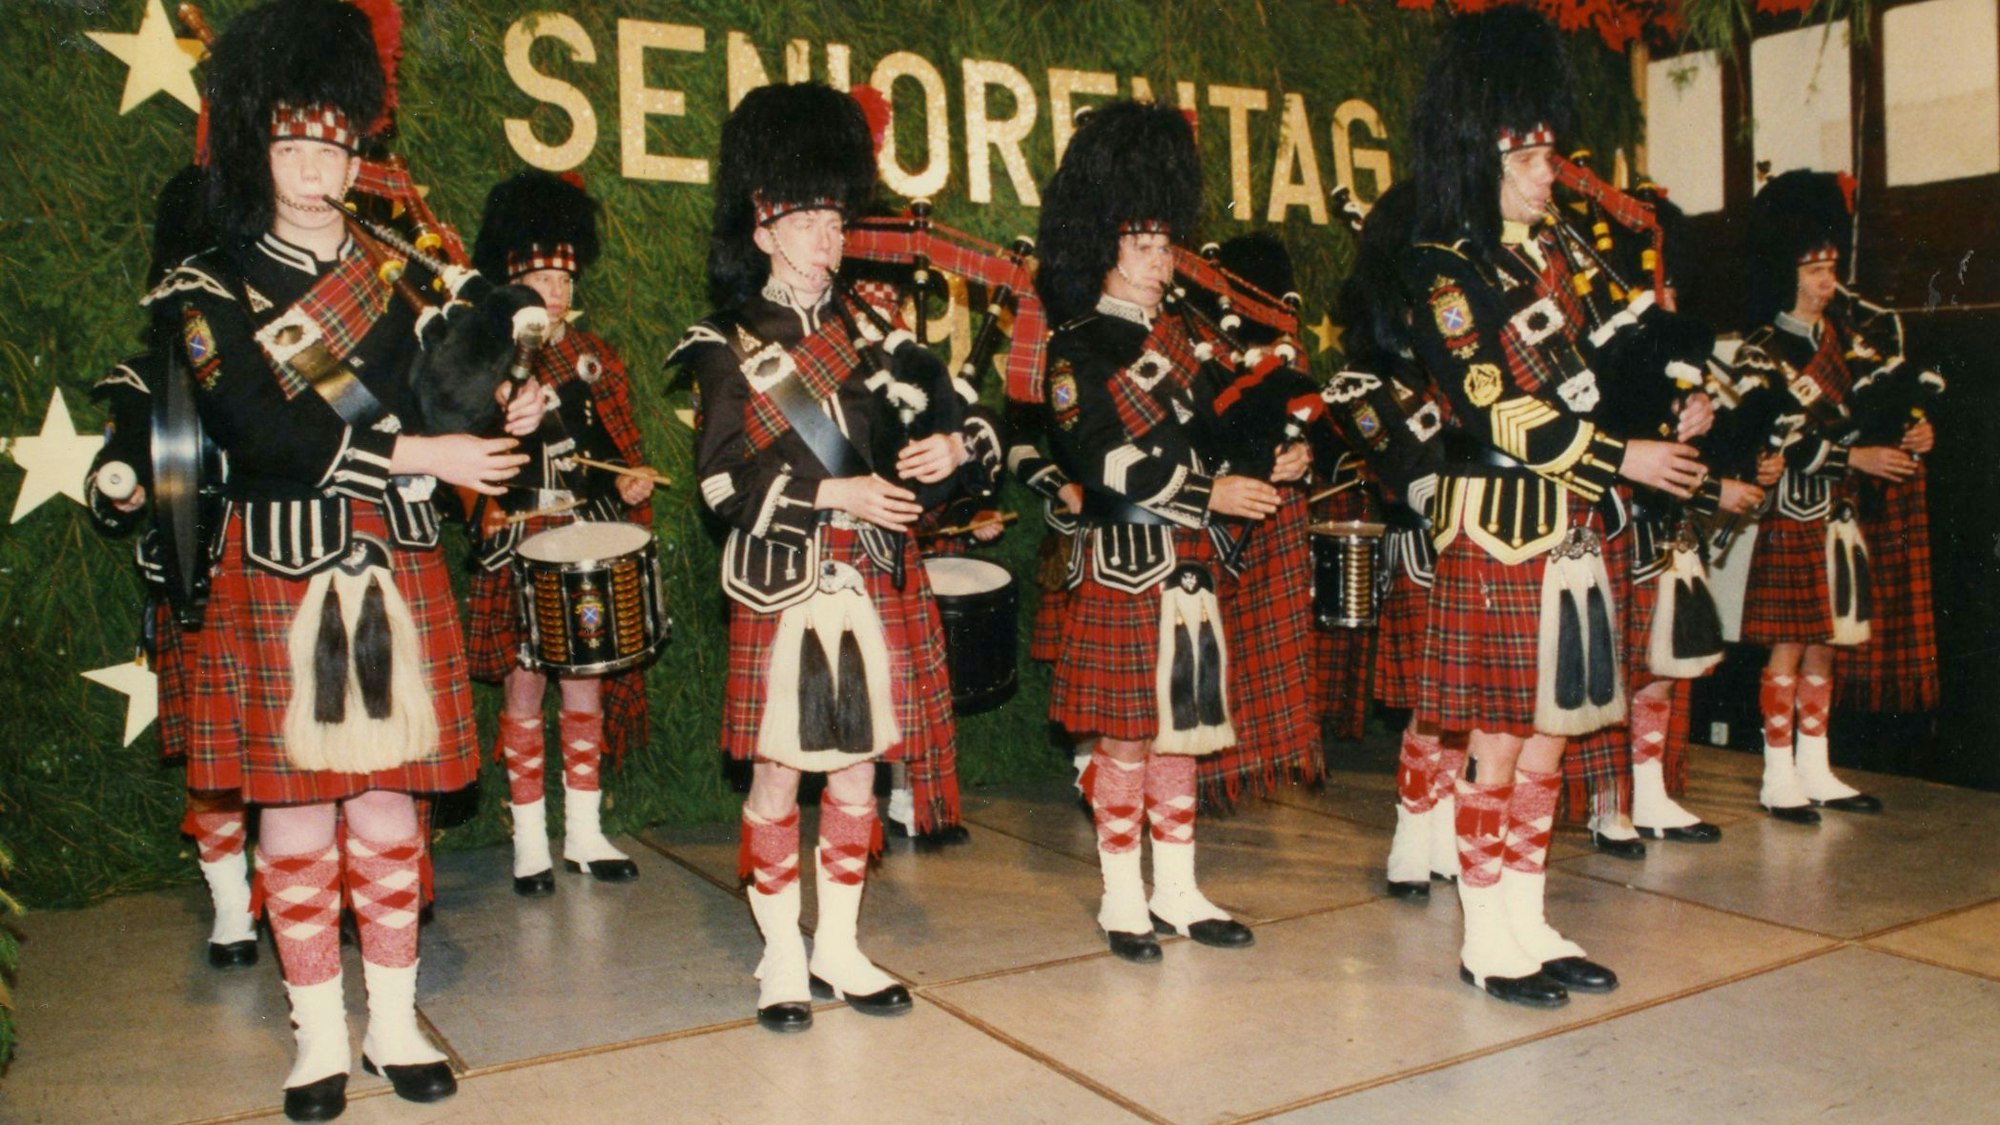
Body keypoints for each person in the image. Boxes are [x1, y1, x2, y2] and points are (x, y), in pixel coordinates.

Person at [145, 1, 544, 1116]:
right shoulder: (208, 288)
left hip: (396, 559)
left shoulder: (411, 275)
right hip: (280, 569)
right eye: (293, 144)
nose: (318, 166)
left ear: (360, 146)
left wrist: (507, 391)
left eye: (336, 143)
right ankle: (316, 1035)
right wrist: (426, 446)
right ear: (251, 148)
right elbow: (259, 440)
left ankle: (394, 1021)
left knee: (386, 811)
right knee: (299, 815)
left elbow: (448, 404)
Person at [1400, 7, 1706, 1007]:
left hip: (1572, 527)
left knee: (1549, 737)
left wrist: (1672, 395)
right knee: (1495, 739)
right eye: (1529, 152)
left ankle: (1526, 917)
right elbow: (1496, 402)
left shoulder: (1559, 259)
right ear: (1481, 153)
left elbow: (1591, 378)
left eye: (1546, 148)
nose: (1549, 170)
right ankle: (1485, 938)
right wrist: (1626, 455)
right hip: (1496, 522)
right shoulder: (1446, 269)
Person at [676, 82, 973, 1032]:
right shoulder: (723, 348)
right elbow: (720, 488)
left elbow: (974, 432)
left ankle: (839, 946)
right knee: (777, 776)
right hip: (785, 579)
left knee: (857, 776)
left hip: (875, 576)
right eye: (805, 218)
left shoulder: (880, 335)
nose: (826, 236)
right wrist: (832, 492)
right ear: (761, 228)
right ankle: (778, 955)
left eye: (836, 217)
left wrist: (953, 450)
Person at [1037, 100, 1287, 963]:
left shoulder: (1185, 337)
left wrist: (1267, 461)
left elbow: (1212, 432)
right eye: (1140, 247)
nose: (1157, 262)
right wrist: (1212, 492)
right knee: (1127, 733)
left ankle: (1177, 888)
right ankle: (1121, 897)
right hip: (1129, 556)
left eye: (1163, 245)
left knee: (1183, 728)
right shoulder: (1075, 349)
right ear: (1104, 248)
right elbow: (1103, 459)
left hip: (1187, 564)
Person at [86, 165, 261, 969]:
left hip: (277, 575)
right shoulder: (146, 378)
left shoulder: (278, 352)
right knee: (216, 761)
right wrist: (116, 488)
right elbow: (122, 462)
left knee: (290, 752)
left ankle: (288, 886)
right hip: (195, 589)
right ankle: (232, 908)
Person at [466, 169, 654, 893]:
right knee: (524, 689)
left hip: (582, 535)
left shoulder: (596, 355)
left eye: (564, 277)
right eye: (542, 275)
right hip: (519, 534)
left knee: (585, 688)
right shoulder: (487, 354)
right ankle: (529, 840)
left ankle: (583, 831)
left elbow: (608, 454)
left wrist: (628, 482)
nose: (556, 290)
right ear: (514, 279)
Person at [1736, 170, 1916, 821]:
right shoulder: (1763, 349)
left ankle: (1816, 762)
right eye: (1813, 268)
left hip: (1837, 512)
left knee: (1827, 642)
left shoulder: (1851, 341)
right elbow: (1780, 444)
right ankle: (1776, 771)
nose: (1825, 280)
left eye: (1831, 265)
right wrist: (1854, 454)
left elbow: (1872, 413)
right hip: (1791, 509)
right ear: (1786, 271)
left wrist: (1910, 427)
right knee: (1788, 640)